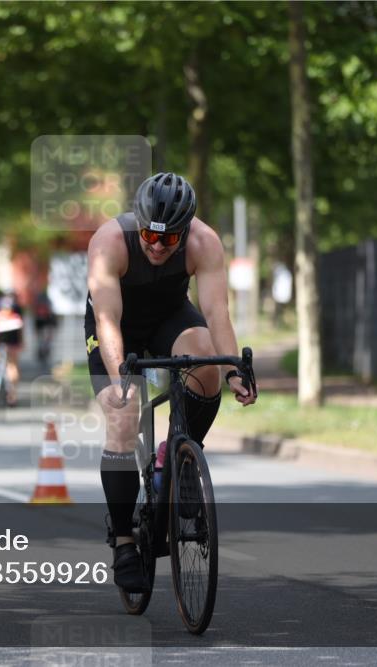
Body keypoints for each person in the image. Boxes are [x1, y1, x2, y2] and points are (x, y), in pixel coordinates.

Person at [84, 172, 257, 593]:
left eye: (169, 240)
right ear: (138, 222)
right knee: (123, 416)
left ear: (186, 232)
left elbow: (216, 313)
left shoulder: (205, 242)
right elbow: (107, 319)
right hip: (116, 323)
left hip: (169, 318)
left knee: (207, 365)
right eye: (149, 235)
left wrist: (234, 369)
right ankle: (124, 539)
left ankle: (176, 459)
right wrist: (120, 380)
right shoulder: (109, 242)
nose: (157, 246)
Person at [32, 289, 58, 369]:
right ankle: (44, 354)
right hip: (46, 323)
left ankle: (42, 354)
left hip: (41, 324)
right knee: (46, 341)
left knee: (41, 341)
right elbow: (51, 313)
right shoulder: (48, 301)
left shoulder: (38, 302)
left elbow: (35, 314)